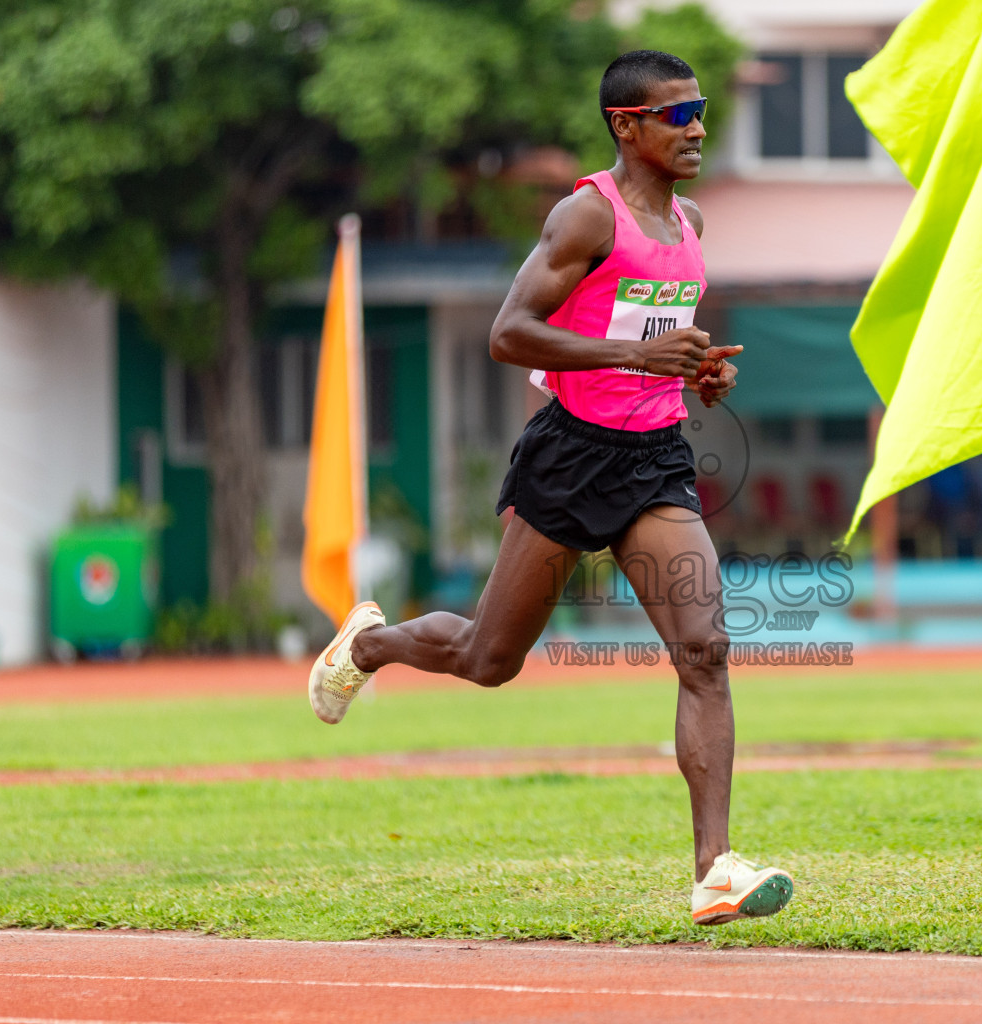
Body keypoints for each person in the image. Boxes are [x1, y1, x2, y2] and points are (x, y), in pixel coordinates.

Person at [307, 51, 792, 927]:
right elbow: (509, 333)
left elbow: (654, 338)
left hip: (653, 459)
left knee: (706, 649)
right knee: (489, 661)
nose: (698, 129)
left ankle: (714, 870)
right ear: (626, 124)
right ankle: (369, 645)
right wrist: (637, 355)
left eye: (702, 111)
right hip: (570, 457)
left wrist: (696, 373)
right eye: (678, 115)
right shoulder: (584, 217)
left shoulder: (689, 226)